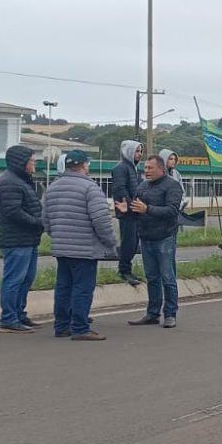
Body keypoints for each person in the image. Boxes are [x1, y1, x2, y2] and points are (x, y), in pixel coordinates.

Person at [41, 151, 116, 341]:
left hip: (61, 247)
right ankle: (80, 328)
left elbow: (45, 220)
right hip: (85, 249)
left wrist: (58, 235)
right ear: (84, 165)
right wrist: (110, 242)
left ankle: (61, 326)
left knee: (63, 288)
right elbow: (101, 221)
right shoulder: (90, 188)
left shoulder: (52, 188)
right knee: (82, 288)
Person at [125, 154, 185, 328]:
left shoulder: (172, 186)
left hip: (164, 237)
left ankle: (170, 313)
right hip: (146, 236)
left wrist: (147, 209)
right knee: (151, 277)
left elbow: (172, 211)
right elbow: (137, 208)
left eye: (150, 168)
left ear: (161, 168)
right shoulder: (143, 185)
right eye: (145, 168)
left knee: (167, 277)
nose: (147, 171)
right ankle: (152, 313)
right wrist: (127, 210)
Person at [0, 145, 44, 333]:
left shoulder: (21, 180)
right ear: (21, 162)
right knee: (14, 280)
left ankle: (19, 314)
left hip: (27, 239)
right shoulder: (10, 182)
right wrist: (36, 222)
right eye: (31, 160)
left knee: (26, 279)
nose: (34, 163)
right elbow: (13, 212)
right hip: (16, 240)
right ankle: (9, 318)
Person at [111, 139, 143, 286]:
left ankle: (127, 269)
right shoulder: (121, 168)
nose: (139, 154)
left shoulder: (134, 169)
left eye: (141, 151)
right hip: (127, 212)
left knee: (134, 242)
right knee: (128, 242)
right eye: (136, 151)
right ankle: (124, 270)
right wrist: (131, 206)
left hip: (135, 211)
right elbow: (120, 189)